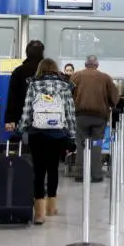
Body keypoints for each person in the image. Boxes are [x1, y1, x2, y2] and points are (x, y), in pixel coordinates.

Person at [18, 58, 76, 224]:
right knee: (53, 169)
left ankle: (39, 213)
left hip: (37, 133)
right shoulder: (64, 86)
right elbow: (70, 112)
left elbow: (27, 110)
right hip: (58, 134)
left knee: (38, 171)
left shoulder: (33, 85)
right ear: (56, 69)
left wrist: (22, 128)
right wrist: (71, 135)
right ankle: (51, 207)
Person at [70, 55, 118, 183]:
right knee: (97, 144)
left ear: (85, 65)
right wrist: (110, 105)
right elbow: (114, 97)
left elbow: (68, 94)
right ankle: (96, 175)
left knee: (80, 144)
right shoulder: (105, 77)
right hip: (99, 117)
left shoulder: (76, 76)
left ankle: (80, 174)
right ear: (97, 65)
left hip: (80, 116)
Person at [5, 40, 45, 133]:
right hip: (48, 117)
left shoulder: (19, 71)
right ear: (42, 53)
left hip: (23, 116)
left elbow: (13, 97)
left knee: (25, 140)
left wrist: (10, 119)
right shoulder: (50, 71)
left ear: (27, 53)